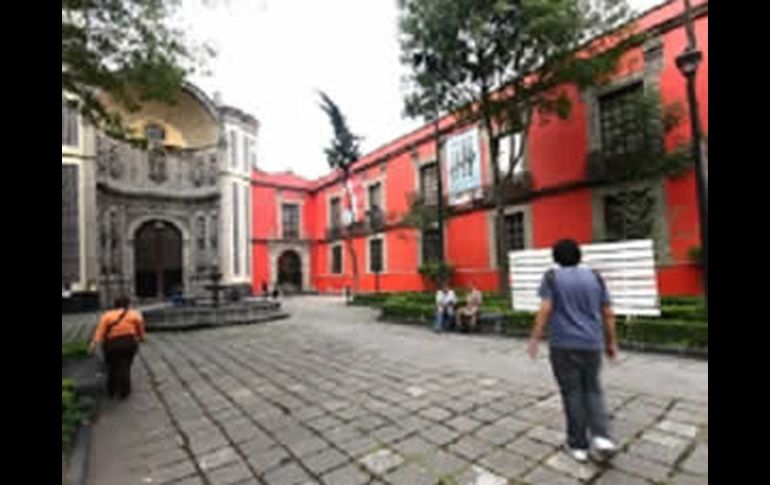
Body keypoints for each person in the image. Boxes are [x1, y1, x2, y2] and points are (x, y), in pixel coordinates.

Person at [527, 239, 618, 463]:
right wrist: (611, 342)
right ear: (579, 255)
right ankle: (602, 437)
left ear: (556, 258)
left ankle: (578, 445)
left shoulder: (552, 277)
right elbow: (607, 312)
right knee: (593, 389)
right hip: (592, 343)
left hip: (564, 344)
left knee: (572, 393)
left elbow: (546, 308)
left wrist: (535, 337)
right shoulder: (595, 277)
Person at [89, 295, 145, 399]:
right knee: (126, 365)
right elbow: (140, 329)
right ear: (128, 305)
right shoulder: (134, 314)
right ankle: (125, 391)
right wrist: (141, 338)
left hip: (112, 344)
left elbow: (100, 331)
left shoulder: (107, 315)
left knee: (112, 365)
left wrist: (93, 343)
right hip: (129, 343)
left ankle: (112, 389)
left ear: (115, 305)